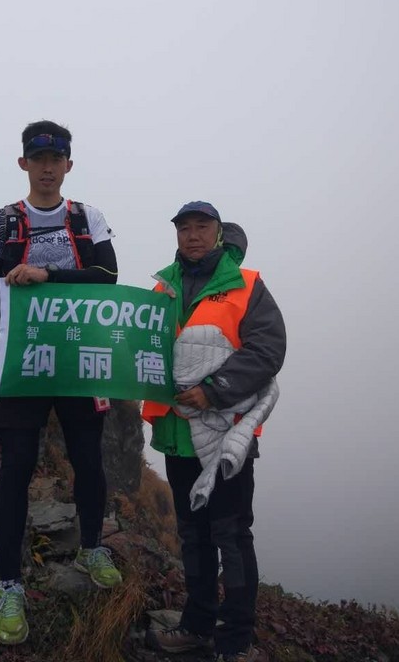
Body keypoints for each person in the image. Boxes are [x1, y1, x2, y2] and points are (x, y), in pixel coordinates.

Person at [0, 120, 122, 647]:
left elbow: (108, 278)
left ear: (69, 166)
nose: (48, 167)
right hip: (22, 360)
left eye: (57, 160)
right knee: (15, 467)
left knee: (88, 459)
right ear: (24, 164)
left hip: (79, 359)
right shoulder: (0, 224)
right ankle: (9, 584)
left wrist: (46, 274)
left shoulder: (88, 218)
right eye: (38, 158)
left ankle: (92, 545)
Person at [143, 202, 286, 662]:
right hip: (175, 432)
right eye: (184, 228)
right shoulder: (162, 289)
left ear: (219, 233)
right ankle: (197, 626)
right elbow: (137, 345)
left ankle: (237, 641)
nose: (192, 235)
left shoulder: (247, 286)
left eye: (201, 227)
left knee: (231, 535)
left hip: (226, 437)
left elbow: (268, 349)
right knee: (192, 535)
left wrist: (214, 390)